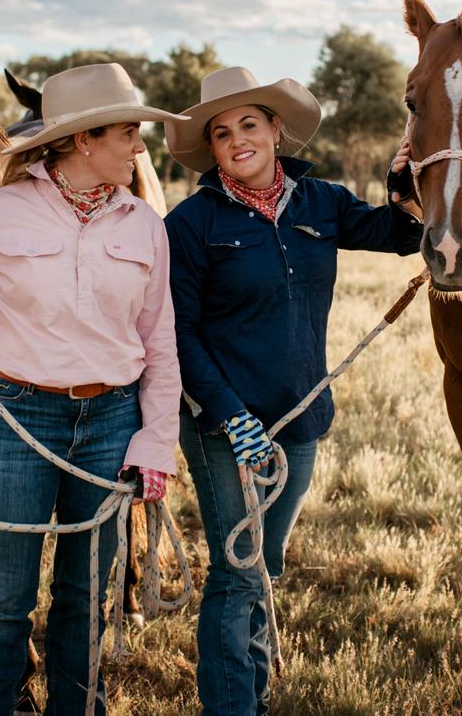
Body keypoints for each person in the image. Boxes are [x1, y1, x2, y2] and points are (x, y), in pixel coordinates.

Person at [0, 63, 188, 716]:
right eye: (129, 134)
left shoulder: (143, 224)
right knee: (5, 602)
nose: (141, 148)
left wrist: (156, 443)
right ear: (84, 140)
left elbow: (159, 345)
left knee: (86, 599)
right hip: (13, 423)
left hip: (110, 423)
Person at [163, 67, 421, 716]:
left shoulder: (323, 203)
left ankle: (251, 692)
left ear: (277, 130)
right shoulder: (190, 224)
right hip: (223, 427)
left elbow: (402, 236)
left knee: (264, 565)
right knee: (236, 572)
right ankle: (236, 707)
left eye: (249, 124)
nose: (237, 140)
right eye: (221, 133)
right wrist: (229, 416)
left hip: (300, 421)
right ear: (213, 149)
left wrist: (406, 187)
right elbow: (179, 333)